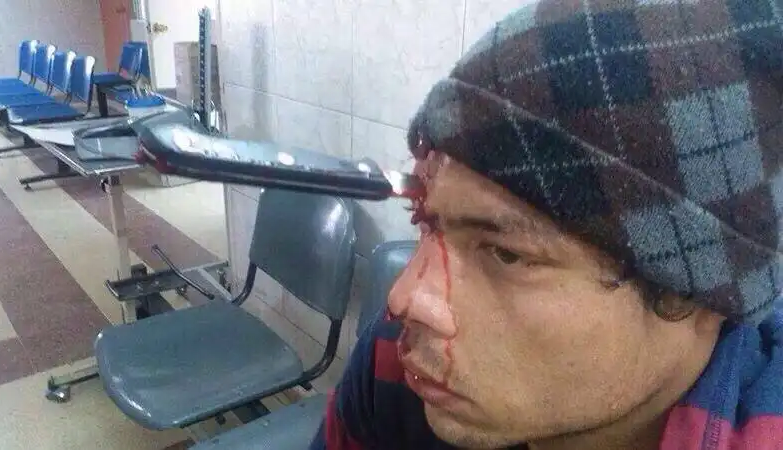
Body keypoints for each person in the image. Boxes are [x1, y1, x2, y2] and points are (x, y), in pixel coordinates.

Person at [310, 0, 783, 448]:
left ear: (699, 296)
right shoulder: (396, 365)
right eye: (427, 221)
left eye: (506, 253)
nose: (403, 299)